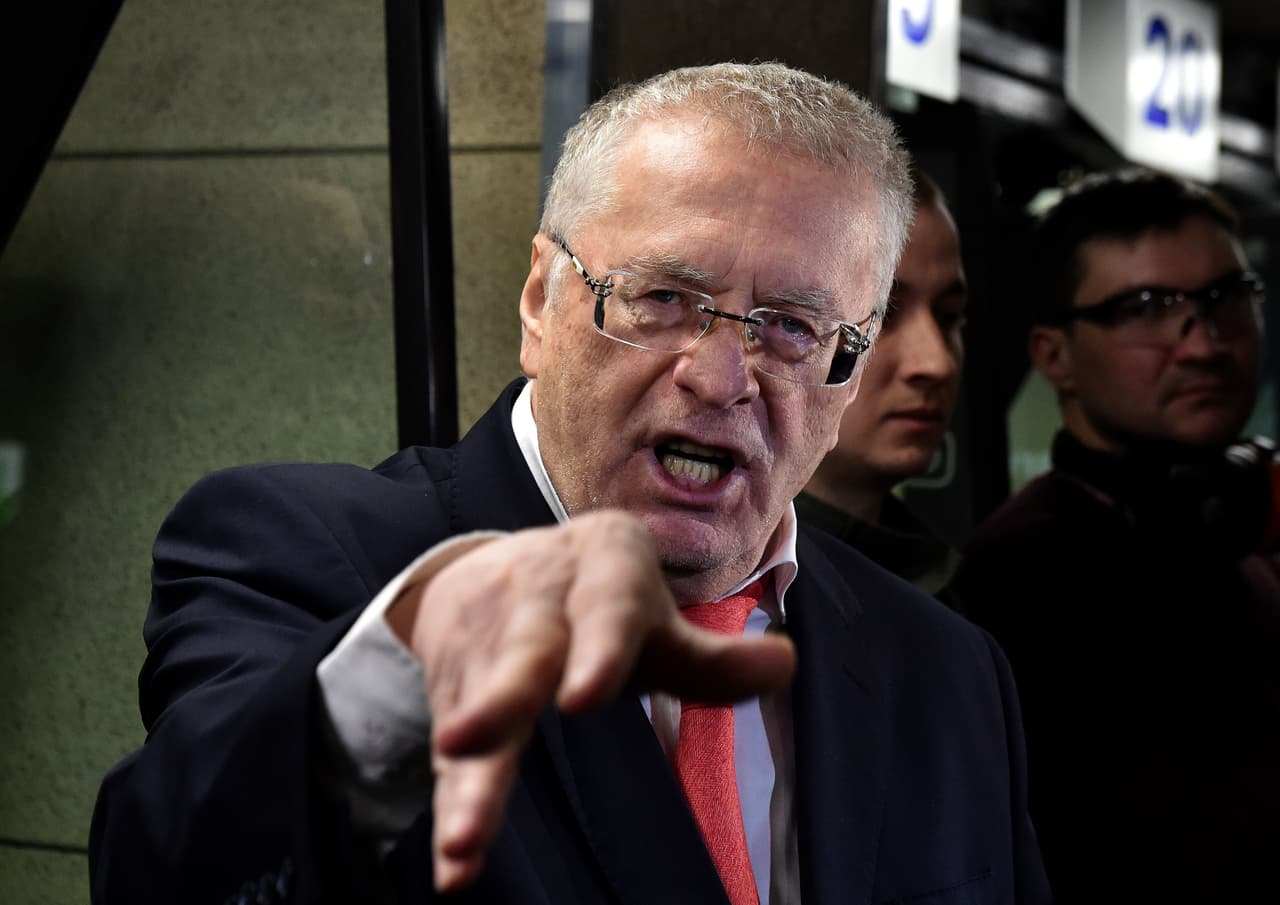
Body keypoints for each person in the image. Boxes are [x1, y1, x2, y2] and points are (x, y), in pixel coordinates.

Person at [90, 63, 1048, 905]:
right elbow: (169, 872)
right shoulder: (312, 557)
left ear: (850, 367)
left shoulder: (948, 670)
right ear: (541, 301)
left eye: (792, 327)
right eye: (664, 300)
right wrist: (397, 674)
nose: (720, 378)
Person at [949, 169, 1278, 902]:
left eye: (1226, 297)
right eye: (1146, 308)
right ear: (1053, 354)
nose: (1204, 344)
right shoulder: (1022, 579)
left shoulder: (1244, 544)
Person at [796, 169, 966, 596]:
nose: (936, 363)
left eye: (949, 316)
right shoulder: (713, 593)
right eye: (884, 315)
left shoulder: (964, 591)